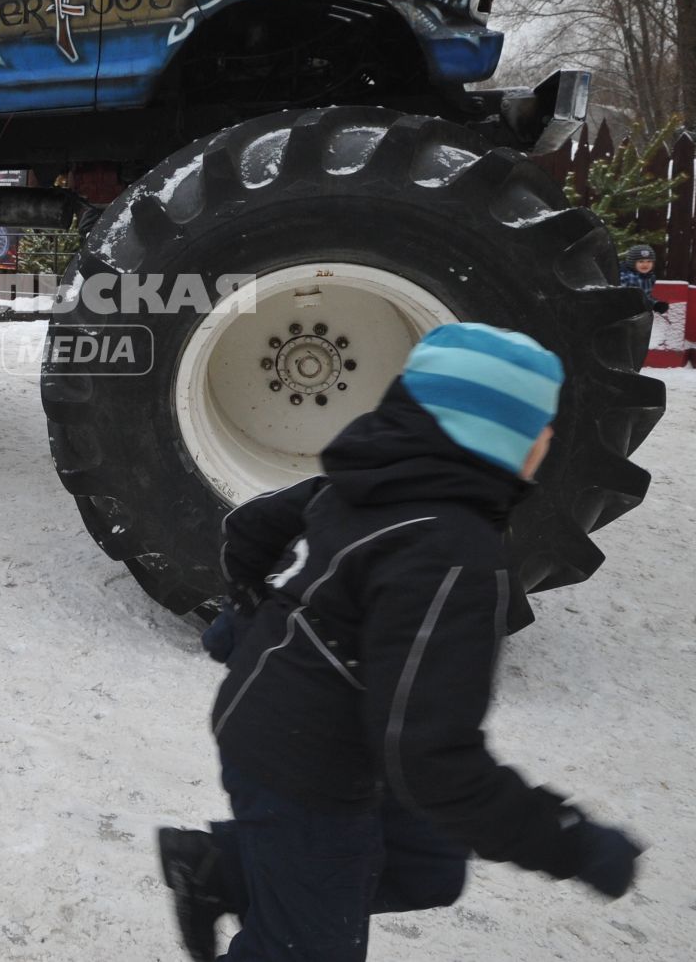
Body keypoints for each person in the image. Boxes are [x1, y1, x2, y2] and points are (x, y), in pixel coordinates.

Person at [157, 323, 642, 961]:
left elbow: (248, 529)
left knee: (427, 867)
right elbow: (430, 758)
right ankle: (269, 893)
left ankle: (223, 868)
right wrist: (567, 842)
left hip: (325, 732)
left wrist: (251, 618)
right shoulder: (451, 554)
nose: (548, 437)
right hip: (301, 767)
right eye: (537, 423)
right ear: (497, 434)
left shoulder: (366, 482)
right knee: (304, 946)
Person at [620, 244, 670, 315]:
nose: (645, 265)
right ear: (632, 262)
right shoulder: (626, 277)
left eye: (649, 261)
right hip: (625, 315)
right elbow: (626, 298)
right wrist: (650, 304)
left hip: (641, 315)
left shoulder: (649, 276)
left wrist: (656, 304)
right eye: (641, 261)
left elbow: (647, 296)